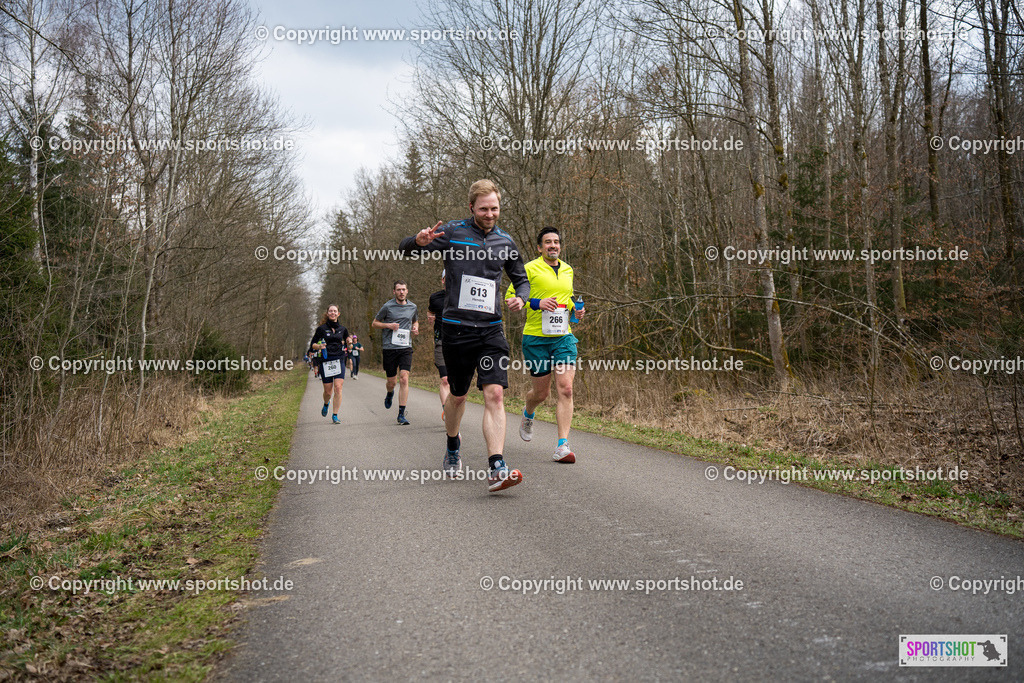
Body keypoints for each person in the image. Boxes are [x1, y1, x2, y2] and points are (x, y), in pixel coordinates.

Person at [399, 179, 530, 493]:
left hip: (491, 329)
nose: (490, 214)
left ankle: (497, 466)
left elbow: (521, 280)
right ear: (471, 207)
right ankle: (452, 445)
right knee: (458, 396)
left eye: (494, 208)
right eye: (483, 209)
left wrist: (521, 298)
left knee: (495, 394)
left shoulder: (505, 241)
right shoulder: (453, 232)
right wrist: (417, 241)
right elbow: (406, 251)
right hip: (456, 329)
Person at [505, 226, 584, 463]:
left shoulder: (568, 270)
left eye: (556, 242)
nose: (553, 245)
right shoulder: (529, 268)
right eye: (548, 242)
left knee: (566, 389)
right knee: (541, 393)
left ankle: (562, 445)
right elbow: (511, 297)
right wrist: (537, 303)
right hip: (536, 338)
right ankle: (529, 411)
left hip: (563, 337)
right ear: (539, 247)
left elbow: (568, 299)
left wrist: (575, 310)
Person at [372, 281, 418, 425]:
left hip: (405, 347)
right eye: (398, 290)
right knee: (391, 382)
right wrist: (388, 325)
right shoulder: (387, 306)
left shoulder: (413, 307)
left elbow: (415, 321)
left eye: (403, 289)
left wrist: (415, 328)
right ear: (394, 292)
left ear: (407, 291)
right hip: (390, 348)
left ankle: (401, 414)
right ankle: (390, 392)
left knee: (404, 378)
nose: (401, 292)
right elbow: (374, 323)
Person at [308, 304, 351, 424]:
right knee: (328, 392)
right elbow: (313, 345)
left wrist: (349, 342)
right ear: (327, 314)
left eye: (335, 311)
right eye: (331, 311)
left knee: (338, 388)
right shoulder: (321, 329)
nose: (333, 313)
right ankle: (326, 403)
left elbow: (349, 345)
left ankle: (335, 415)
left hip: (339, 359)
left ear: (338, 314)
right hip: (326, 361)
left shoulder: (343, 329)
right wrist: (319, 346)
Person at [426, 270, 450, 422]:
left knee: (456, 382)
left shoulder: (462, 296)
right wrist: (430, 318)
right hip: (440, 341)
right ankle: (447, 411)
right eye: (447, 277)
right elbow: (430, 311)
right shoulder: (435, 297)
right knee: (445, 379)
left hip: (460, 343)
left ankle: (453, 407)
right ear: (442, 280)